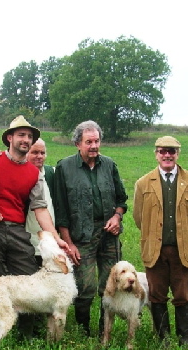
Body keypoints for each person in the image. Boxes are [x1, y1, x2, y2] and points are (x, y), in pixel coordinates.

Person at [0, 116, 67, 339]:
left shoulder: (34, 174)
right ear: (10, 138)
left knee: (27, 276)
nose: (26, 140)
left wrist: (55, 238)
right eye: (21, 135)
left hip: (17, 229)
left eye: (29, 136)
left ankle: (27, 335)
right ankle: (1, 330)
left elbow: (40, 208)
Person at [53, 120, 128, 337]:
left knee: (110, 285)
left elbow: (122, 200)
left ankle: (104, 329)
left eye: (96, 141)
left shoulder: (110, 165)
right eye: (89, 142)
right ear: (78, 144)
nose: (94, 146)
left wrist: (117, 217)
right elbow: (61, 210)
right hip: (81, 236)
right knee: (84, 287)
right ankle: (83, 328)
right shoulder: (65, 168)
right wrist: (69, 243)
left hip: (109, 235)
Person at [133, 136, 188, 347]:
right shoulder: (143, 183)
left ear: (177, 154)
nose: (167, 155)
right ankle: (163, 339)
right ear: (156, 154)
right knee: (157, 295)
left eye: (171, 151)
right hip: (155, 250)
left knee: (182, 294)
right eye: (163, 151)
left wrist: (183, 236)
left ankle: (185, 339)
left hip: (182, 250)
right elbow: (138, 218)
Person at [24, 138, 56, 265]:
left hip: (49, 241)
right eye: (35, 152)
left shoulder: (51, 173)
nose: (39, 156)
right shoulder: (21, 172)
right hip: (27, 241)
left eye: (42, 153)